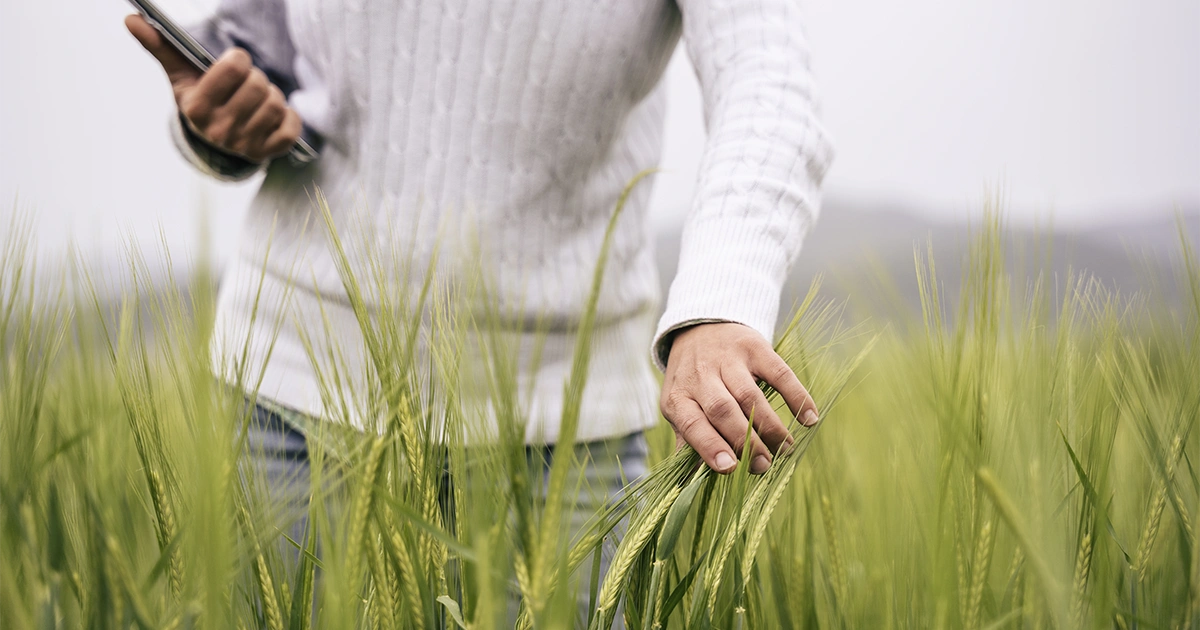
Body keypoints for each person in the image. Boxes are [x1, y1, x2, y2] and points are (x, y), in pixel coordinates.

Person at [126, 0, 832, 622]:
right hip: (283, 402)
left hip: (564, 435)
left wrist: (719, 299)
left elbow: (767, 77)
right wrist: (226, 114)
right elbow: (265, 40)